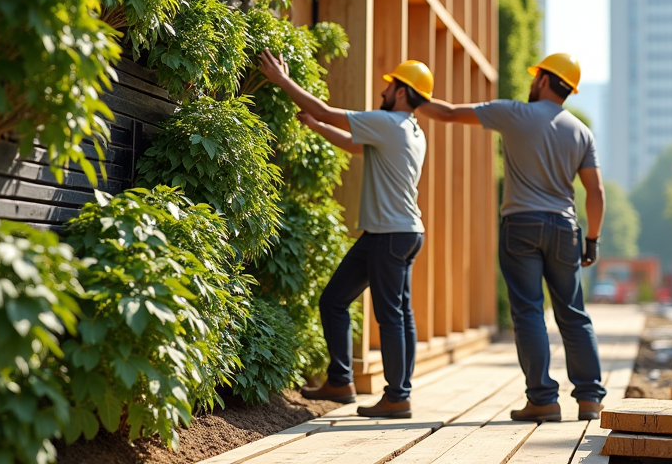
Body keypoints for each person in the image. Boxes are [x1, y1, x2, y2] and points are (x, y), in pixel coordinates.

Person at [416, 52, 606, 423]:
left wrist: (410, 95)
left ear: (545, 80)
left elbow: (449, 113)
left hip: (521, 225)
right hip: (565, 228)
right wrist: (593, 239)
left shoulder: (515, 112)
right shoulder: (581, 131)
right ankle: (590, 400)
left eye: (537, 77)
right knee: (573, 313)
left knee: (529, 311)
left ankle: (543, 399)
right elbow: (595, 192)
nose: (532, 82)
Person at [259, 50, 433, 419]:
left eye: (390, 85)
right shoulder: (411, 131)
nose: (384, 90)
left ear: (402, 93)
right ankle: (341, 381)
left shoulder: (390, 122)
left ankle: (398, 397)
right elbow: (355, 145)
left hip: (391, 235)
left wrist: (283, 81)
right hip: (392, 234)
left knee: (392, 316)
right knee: (337, 300)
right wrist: (316, 127)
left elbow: (325, 109)